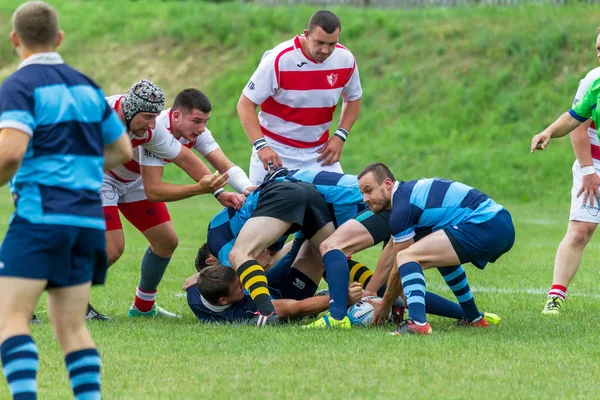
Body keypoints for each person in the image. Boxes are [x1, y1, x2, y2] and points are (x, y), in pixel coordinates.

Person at [0, 2, 132, 399]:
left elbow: (10, 154)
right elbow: (122, 148)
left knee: (10, 320)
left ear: (14, 40)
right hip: (87, 221)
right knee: (72, 328)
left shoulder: (18, 86)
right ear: (59, 38)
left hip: (41, 218)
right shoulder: (87, 86)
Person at [96, 82, 244, 320]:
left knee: (166, 241)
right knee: (112, 248)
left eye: (156, 117)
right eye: (148, 117)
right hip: (96, 179)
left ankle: (143, 308)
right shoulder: (96, 118)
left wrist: (217, 192)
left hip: (132, 181)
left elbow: (186, 159)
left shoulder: (151, 129)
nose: (153, 124)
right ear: (130, 110)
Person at [358, 163, 515, 335]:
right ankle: (473, 317)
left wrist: (386, 303)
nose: (365, 199)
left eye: (368, 190)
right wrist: (371, 291)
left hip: (487, 225)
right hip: (500, 222)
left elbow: (398, 261)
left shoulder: (402, 209)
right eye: (362, 193)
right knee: (438, 255)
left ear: (387, 184)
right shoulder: (406, 196)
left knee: (407, 257)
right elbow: (390, 246)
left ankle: (417, 323)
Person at [237, 10, 362, 185]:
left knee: (345, 202)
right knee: (265, 210)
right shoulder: (279, 59)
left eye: (332, 44)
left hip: (320, 155)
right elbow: (245, 104)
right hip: (276, 152)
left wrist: (340, 136)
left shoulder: (345, 59)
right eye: (320, 43)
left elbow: (354, 98)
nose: (325, 50)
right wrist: (261, 146)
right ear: (306, 34)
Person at [534, 31, 600, 315]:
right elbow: (576, 121)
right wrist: (549, 131)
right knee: (580, 231)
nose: (599, 53)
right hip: (594, 164)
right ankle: (555, 297)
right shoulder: (595, 81)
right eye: (598, 47)